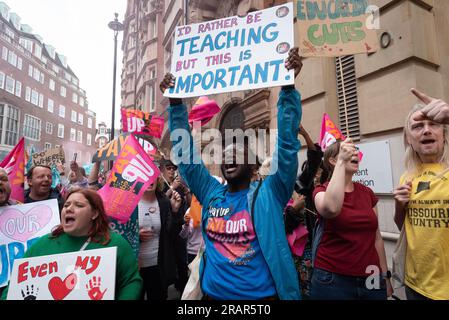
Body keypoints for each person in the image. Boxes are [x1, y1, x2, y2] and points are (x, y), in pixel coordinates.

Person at [159, 47, 303, 300]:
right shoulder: (212, 193)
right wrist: (175, 103)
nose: (229, 156)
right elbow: (186, 157)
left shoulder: (270, 192)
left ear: (254, 166)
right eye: (225, 154)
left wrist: (288, 88)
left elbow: (288, 147)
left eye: (239, 152)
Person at [1, 188, 143, 300]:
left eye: (79, 205)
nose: (69, 208)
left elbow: (131, 282)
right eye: (66, 205)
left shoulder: (115, 243)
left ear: (94, 214)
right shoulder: (42, 245)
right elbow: (15, 284)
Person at [311, 139, 393, 300]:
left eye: (355, 150)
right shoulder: (321, 191)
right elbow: (331, 209)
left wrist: (385, 276)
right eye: (347, 151)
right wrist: (342, 161)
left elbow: (376, 238)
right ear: (333, 161)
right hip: (332, 279)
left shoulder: (367, 193)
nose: (354, 153)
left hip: (372, 275)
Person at [393, 89, 449, 300]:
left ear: (444, 133)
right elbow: (403, 226)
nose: (426, 130)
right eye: (417, 126)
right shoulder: (407, 177)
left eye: (433, 124)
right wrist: (400, 205)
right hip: (414, 285)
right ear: (409, 138)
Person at [138, 177, 182, 301]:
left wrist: (174, 211)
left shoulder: (163, 202)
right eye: (145, 176)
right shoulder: (130, 203)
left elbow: (172, 234)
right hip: (136, 266)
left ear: (158, 180)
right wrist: (136, 236)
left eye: (152, 177)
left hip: (158, 266)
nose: (149, 180)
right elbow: (121, 233)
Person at [160, 159, 190, 295]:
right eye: (168, 168)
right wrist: (171, 187)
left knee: (182, 261)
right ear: (162, 169)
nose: (172, 170)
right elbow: (160, 203)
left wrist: (186, 191)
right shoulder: (160, 185)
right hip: (166, 230)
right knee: (166, 262)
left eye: (173, 168)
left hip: (180, 227)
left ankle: (183, 290)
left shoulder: (179, 184)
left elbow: (189, 204)